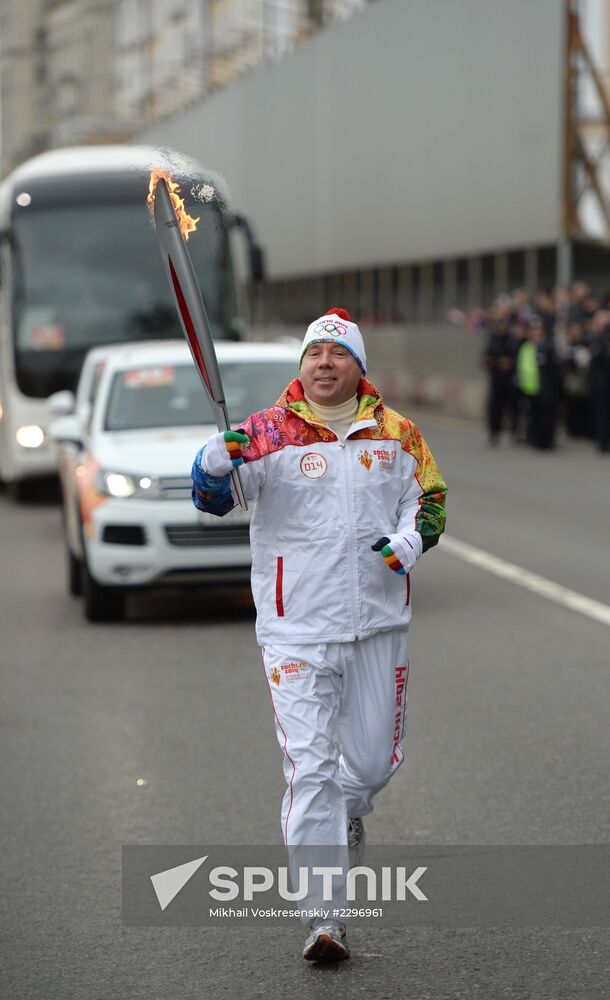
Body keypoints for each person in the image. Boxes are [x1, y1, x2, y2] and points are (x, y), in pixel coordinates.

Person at [191, 308, 448, 962]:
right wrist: (212, 463)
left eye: (338, 354)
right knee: (310, 770)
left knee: (365, 771)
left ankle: (345, 813)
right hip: (296, 630)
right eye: (314, 354)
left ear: (359, 367)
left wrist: (411, 540)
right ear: (301, 365)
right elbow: (213, 500)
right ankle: (324, 920)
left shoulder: (398, 434)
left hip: (377, 626)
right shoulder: (265, 433)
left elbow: (432, 501)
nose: (324, 363)